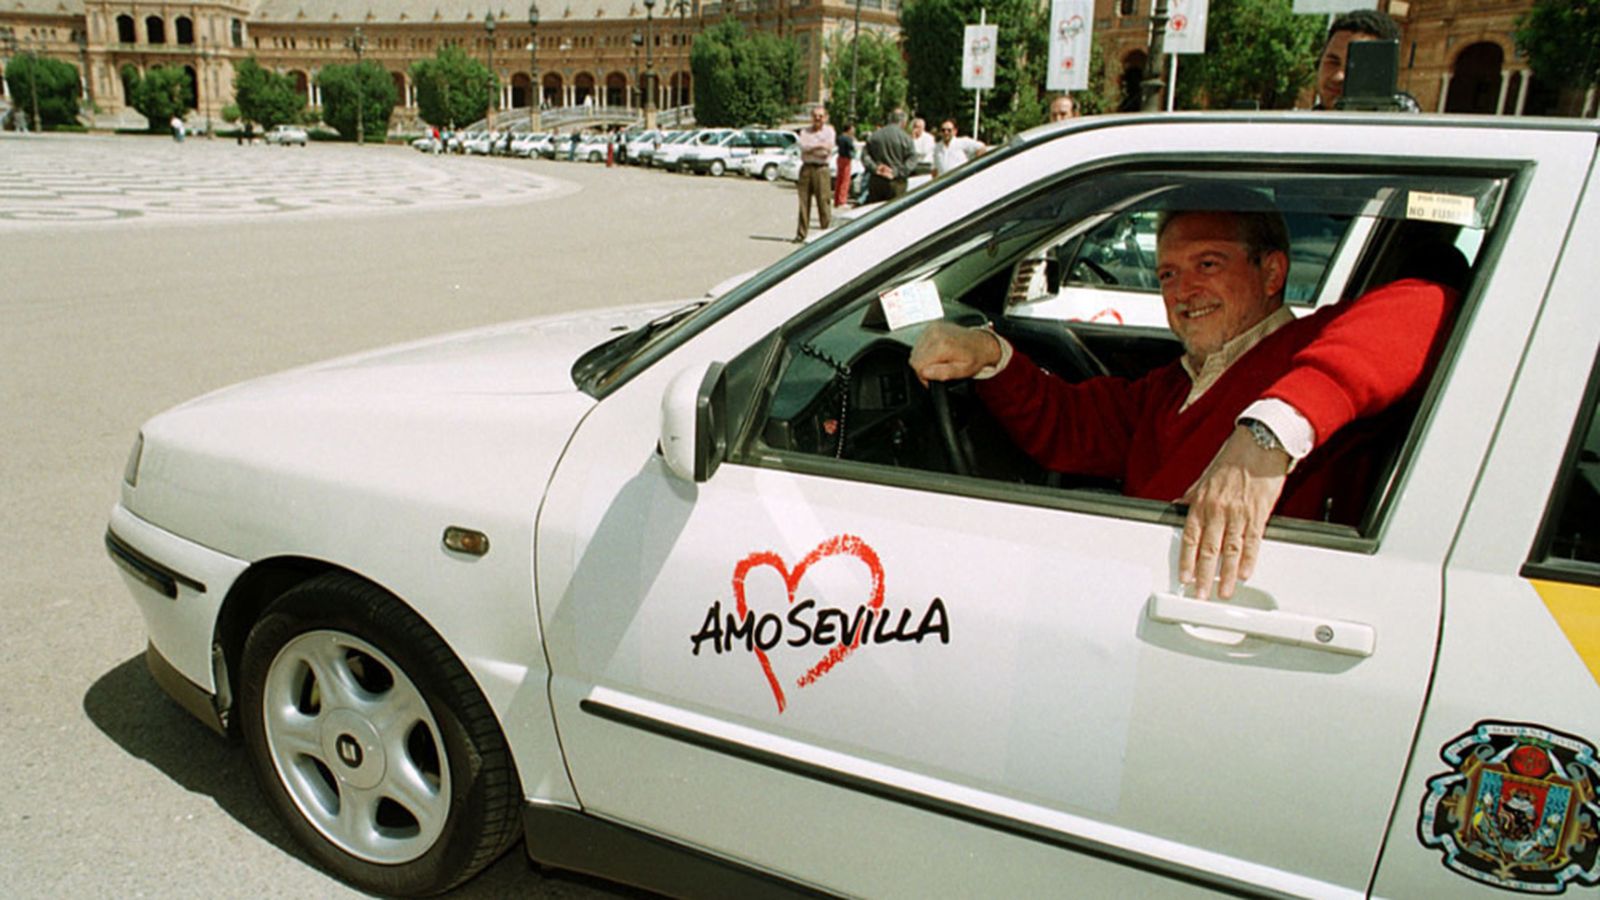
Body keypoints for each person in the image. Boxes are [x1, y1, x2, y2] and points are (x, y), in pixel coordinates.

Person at [908, 185, 1456, 600]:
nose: (1183, 290)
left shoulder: (1306, 350)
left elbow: (1430, 303)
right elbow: (1072, 424)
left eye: (1208, 264)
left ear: (1272, 274)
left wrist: (1268, 433)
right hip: (1147, 599)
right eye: (1167, 274)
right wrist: (990, 355)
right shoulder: (1175, 383)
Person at [1314, 10, 1417, 111]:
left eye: (1356, 66)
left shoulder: (1402, 125)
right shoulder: (1303, 126)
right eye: (1333, 62)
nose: (1338, 76)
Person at [795, 104, 836, 242]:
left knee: (823, 202)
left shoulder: (829, 131)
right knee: (803, 202)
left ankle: (826, 234)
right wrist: (819, 146)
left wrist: (812, 148)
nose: (817, 119)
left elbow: (827, 151)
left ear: (825, 118)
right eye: (815, 116)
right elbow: (803, 147)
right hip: (806, 168)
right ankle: (801, 234)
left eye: (820, 116)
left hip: (821, 169)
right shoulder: (805, 131)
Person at [864, 108, 917, 203]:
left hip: (877, 180)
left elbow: (865, 156)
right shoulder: (906, 138)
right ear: (903, 122)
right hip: (897, 182)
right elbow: (912, 159)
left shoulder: (875, 136)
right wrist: (897, 172)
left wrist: (876, 168)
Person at [834, 122, 856, 209]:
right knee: (845, 180)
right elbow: (852, 148)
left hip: (839, 158)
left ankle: (837, 200)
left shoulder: (839, 138)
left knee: (839, 179)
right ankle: (842, 200)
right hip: (846, 159)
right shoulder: (848, 139)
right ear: (849, 129)